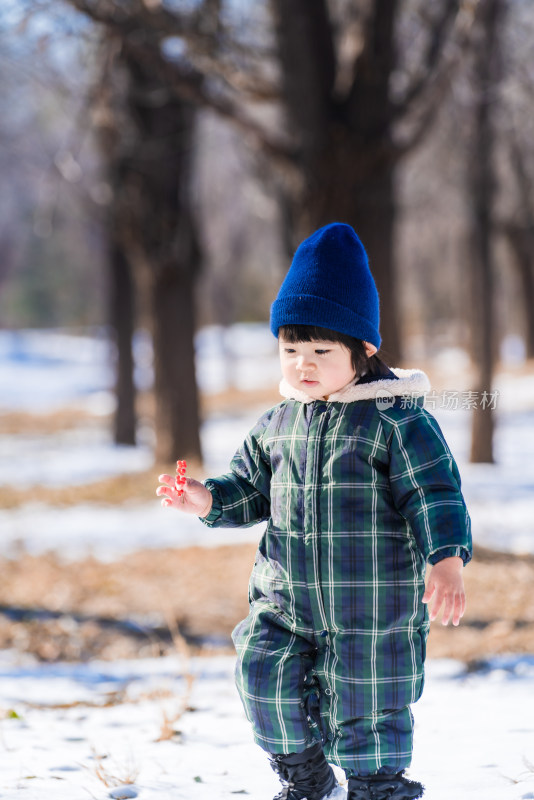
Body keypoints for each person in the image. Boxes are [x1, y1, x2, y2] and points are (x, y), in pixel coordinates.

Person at [156, 223, 472, 800]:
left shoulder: (396, 423)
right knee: (261, 678)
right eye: (291, 349)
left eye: (322, 351)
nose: (303, 365)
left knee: (369, 706)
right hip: (285, 600)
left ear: (365, 348)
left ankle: (378, 785)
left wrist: (446, 558)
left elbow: (435, 494)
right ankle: (306, 778)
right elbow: (249, 489)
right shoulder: (278, 424)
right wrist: (206, 499)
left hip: (372, 609)